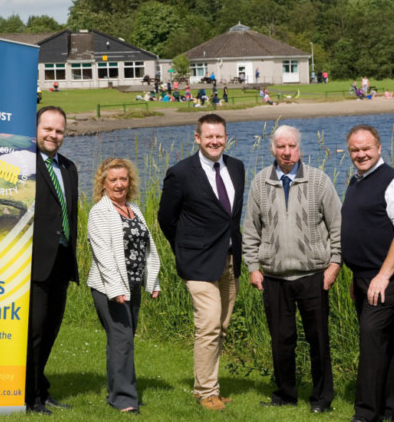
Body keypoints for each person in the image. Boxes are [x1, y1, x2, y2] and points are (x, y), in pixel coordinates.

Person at [243, 125, 340, 413]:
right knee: (281, 341)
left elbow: (337, 226)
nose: (287, 152)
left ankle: (322, 398)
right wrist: (252, 266)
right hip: (273, 277)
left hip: (314, 275)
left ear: (300, 148)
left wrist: (335, 263)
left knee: (318, 340)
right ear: (273, 149)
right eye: (281, 147)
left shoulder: (319, 181)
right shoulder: (260, 182)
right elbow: (250, 230)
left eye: (292, 146)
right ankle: (285, 395)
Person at [157, 114, 245, 411]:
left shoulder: (236, 167)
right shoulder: (180, 173)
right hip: (197, 263)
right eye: (208, 136)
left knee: (220, 326)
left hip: (230, 261)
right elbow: (166, 219)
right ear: (197, 138)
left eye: (219, 136)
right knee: (208, 324)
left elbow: (231, 217)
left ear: (226, 136)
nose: (214, 141)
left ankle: (206, 387)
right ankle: (207, 392)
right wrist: (185, 249)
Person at [341, 125, 394, 422]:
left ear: (379, 148)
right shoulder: (356, 180)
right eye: (355, 150)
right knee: (386, 342)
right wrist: (356, 275)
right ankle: (393, 411)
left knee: (371, 340)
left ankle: (366, 414)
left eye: (366, 148)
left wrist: (382, 276)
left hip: (387, 279)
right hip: (363, 278)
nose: (361, 154)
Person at [87, 158, 160, 414]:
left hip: (134, 284)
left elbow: (146, 249)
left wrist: (153, 281)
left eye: (123, 179)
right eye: (113, 180)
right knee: (122, 340)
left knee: (122, 341)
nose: (119, 185)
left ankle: (117, 393)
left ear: (130, 182)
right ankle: (125, 401)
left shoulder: (134, 209)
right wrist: (115, 288)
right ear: (103, 184)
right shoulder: (99, 213)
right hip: (109, 288)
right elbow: (103, 255)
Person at [27, 106, 79, 414]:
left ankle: (41, 388)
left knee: (51, 329)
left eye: (59, 131)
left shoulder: (69, 167)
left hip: (61, 259)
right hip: (34, 261)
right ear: (35, 129)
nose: (53, 135)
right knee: (34, 331)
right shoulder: (25, 163)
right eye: (47, 129)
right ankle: (30, 396)